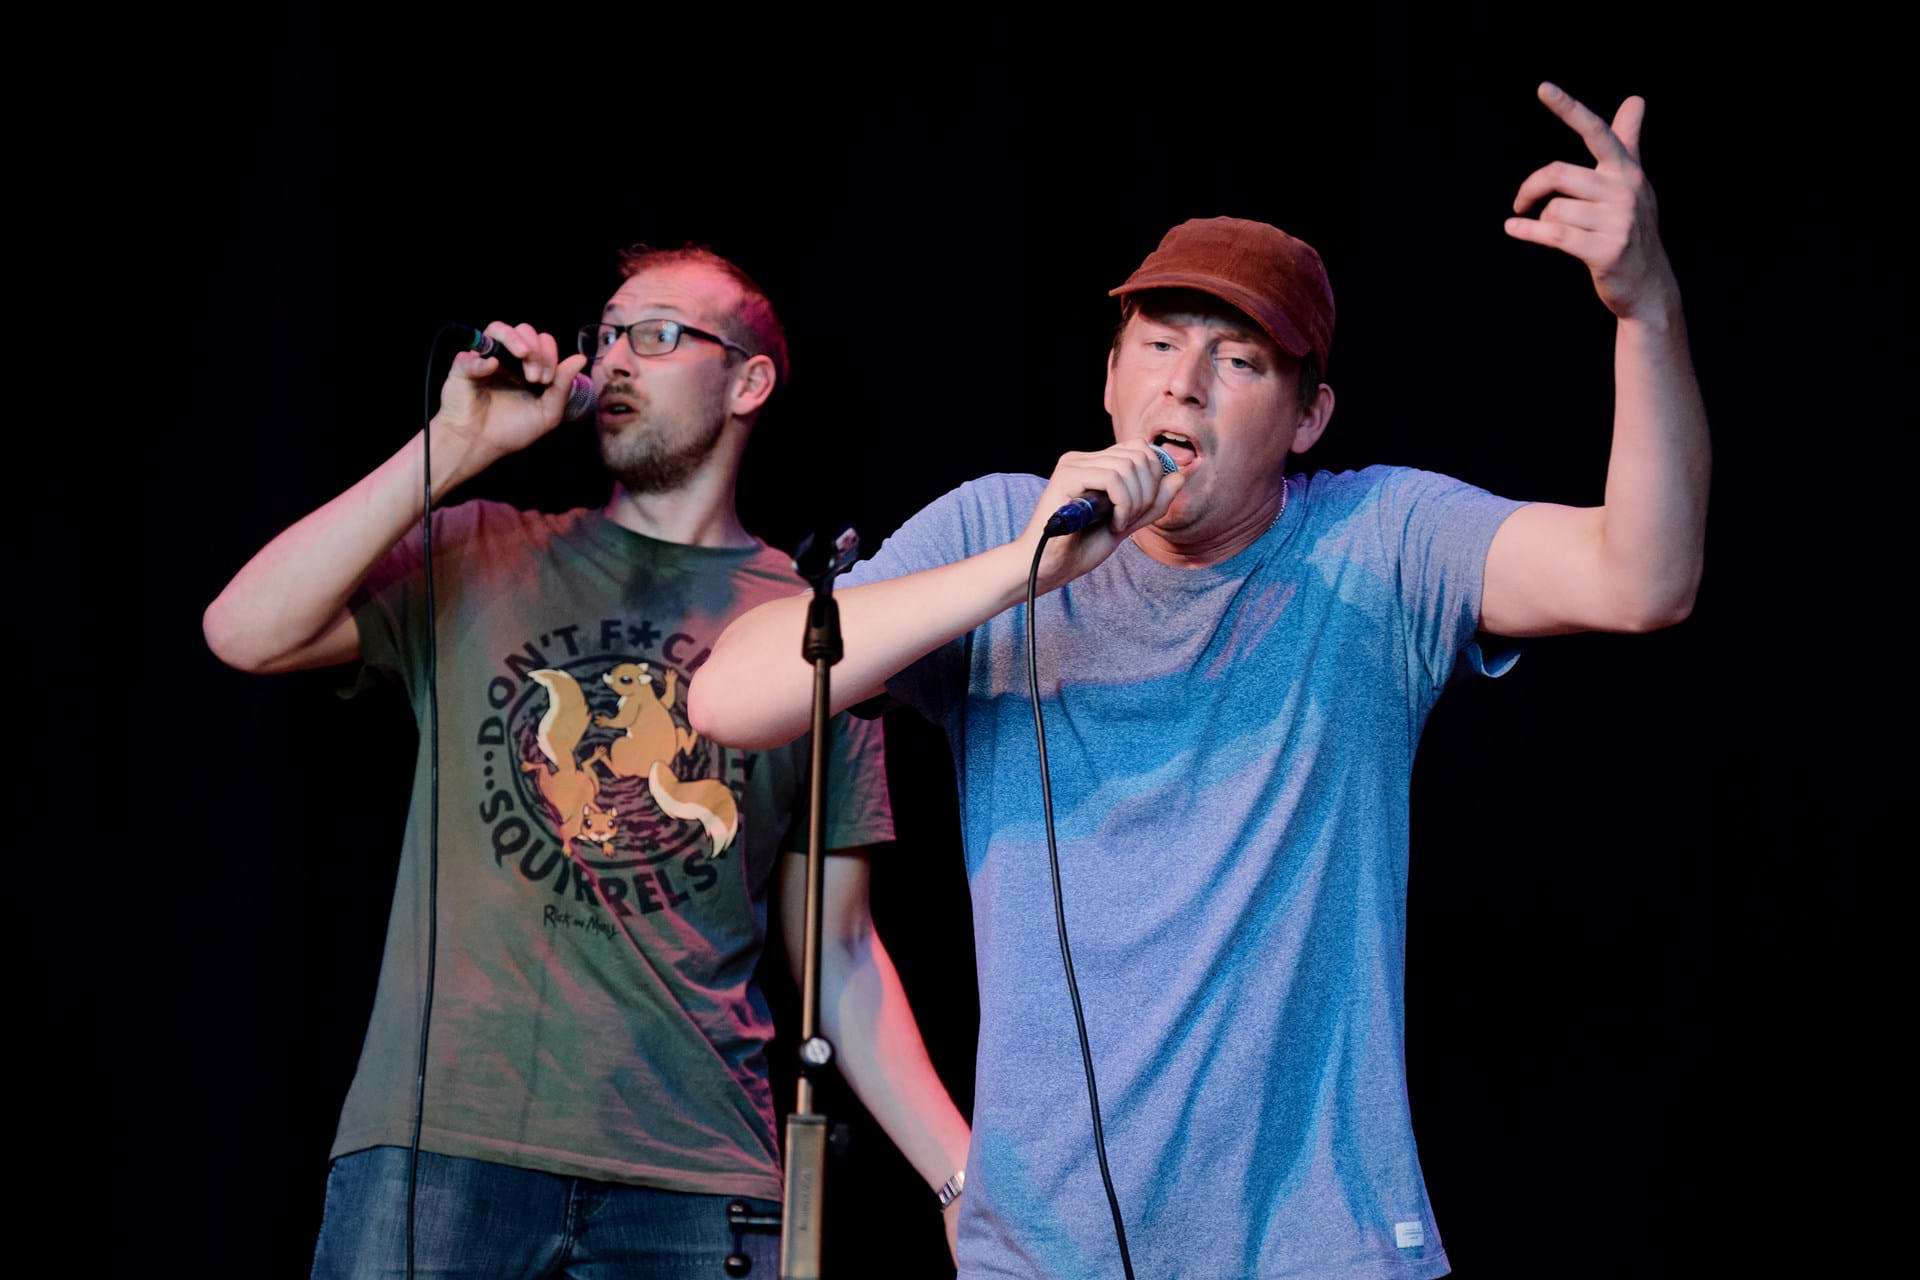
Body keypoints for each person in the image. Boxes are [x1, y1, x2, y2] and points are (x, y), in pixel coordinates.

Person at [688, 84, 1708, 1279]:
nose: (1186, 382)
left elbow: (1644, 577)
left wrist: (1646, 310)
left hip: (1321, 1250)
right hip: (1042, 1254)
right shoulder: (1000, 529)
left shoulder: (1379, 542)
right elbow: (730, 696)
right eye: (1161, 344)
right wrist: (1027, 569)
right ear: (1111, 376)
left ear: (1308, 416)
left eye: (1239, 359)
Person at [204, 244, 971, 1277]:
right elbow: (244, 631)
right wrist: (453, 443)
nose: (613, 359)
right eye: (605, 335)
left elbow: (838, 951)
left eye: (655, 336)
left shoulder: (818, 627)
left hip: (696, 1177)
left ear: (747, 381)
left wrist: (958, 1175)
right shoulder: (483, 548)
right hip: (446, 1150)